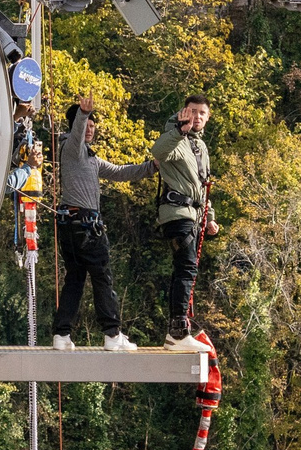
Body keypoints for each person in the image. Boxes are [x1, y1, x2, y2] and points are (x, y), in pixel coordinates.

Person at [51, 98, 151, 351]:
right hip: (85, 226)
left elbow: (119, 172)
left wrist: (152, 167)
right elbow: (77, 133)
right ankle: (112, 333)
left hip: (70, 225)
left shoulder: (91, 159)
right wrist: (83, 113)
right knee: (102, 278)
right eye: (86, 125)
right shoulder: (71, 148)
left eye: (93, 125)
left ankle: (61, 334)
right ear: (75, 125)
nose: (90, 129)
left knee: (75, 279)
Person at [150, 96, 216, 348]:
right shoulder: (176, 137)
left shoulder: (200, 146)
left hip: (193, 215)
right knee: (186, 269)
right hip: (177, 213)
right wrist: (179, 130)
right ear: (184, 112)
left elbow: (202, 186)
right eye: (193, 111)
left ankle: (178, 330)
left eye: (202, 113)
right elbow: (158, 151)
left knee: (185, 270)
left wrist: (209, 218)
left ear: (207, 118)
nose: (197, 116)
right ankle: (178, 332)